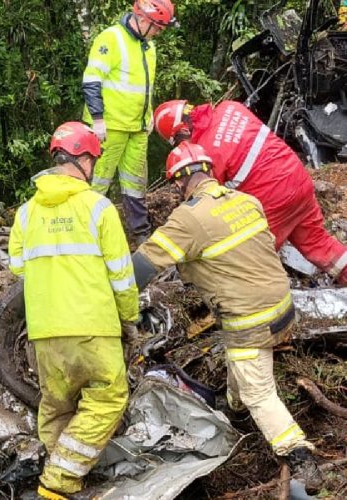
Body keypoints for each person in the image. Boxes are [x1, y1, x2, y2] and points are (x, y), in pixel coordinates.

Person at [131, 142, 322, 493]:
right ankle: (233, 408)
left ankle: (300, 456)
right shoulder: (246, 201)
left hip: (250, 322)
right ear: (210, 171)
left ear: (178, 183)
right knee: (244, 370)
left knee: (260, 394)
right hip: (284, 308)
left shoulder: (188, 219)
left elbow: (141, 269)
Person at [8, 122, 138, 499]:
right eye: (94, 161)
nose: (95, 169)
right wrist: (129, 316)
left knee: (57, 406)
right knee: (109, 398)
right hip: (92, 326)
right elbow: (121, 274)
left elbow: (17, 266)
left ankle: (65, 469)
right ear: (83, 158)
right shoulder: (98, 208)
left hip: (45, 331)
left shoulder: (27, 213)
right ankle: (58, 485)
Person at [153, 99, 347, 284]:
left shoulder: (207, 151)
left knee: (250, 259)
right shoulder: (230, 108)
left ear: (184, 130)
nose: (182, 145)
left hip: (273, 197)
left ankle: (266, 306)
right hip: (298, 179)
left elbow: (209, 199)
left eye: (178, 140)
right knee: (317, 242)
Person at [82, 0, 176, 244]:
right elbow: (92, 81)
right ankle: (86, 235)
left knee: (136, 183)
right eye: (157, 27)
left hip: (136, 128)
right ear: (143, 19)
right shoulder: (111, 38)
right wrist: (98, 119)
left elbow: (144, 88)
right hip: (109, 127)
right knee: (97, 182)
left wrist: (149, 115)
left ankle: (140, 234)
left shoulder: (148, 47)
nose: (158, 33)